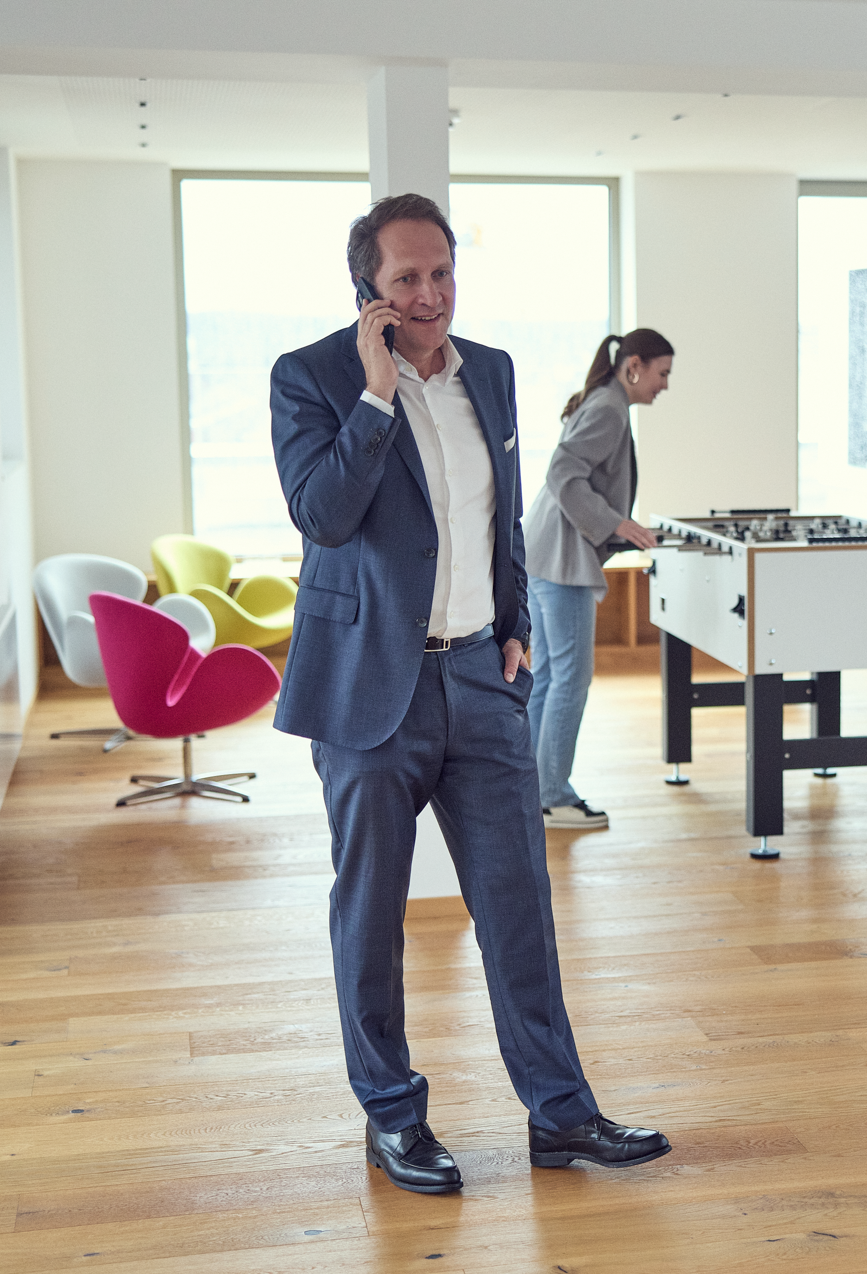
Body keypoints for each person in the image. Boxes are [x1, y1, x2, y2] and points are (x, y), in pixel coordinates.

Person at [267, 193, 669, 1195]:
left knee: (519, 903)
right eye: (406, 277)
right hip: (372, 691)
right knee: (372, 914)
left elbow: (501, 520)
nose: (431, 293)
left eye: (441, 271)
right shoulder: (309, 378)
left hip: (483, 678)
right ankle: (393, 1116)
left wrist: (518, 624)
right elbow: (324, 515)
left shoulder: (490, 370)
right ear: (366, 289)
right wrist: (375, 399)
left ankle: (560, 1113)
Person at [523, 330, 675, 830]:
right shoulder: (610, 408)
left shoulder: (606, 401)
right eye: (662, 373)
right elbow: (562, 472)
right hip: (561, 560)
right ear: (634, 366)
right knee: (570, 678)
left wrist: (618, 527)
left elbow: (574, 478)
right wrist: (615, 523)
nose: (664, 385)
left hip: (542, 552)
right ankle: (553, 796)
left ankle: (532, 790)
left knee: (550, 676)